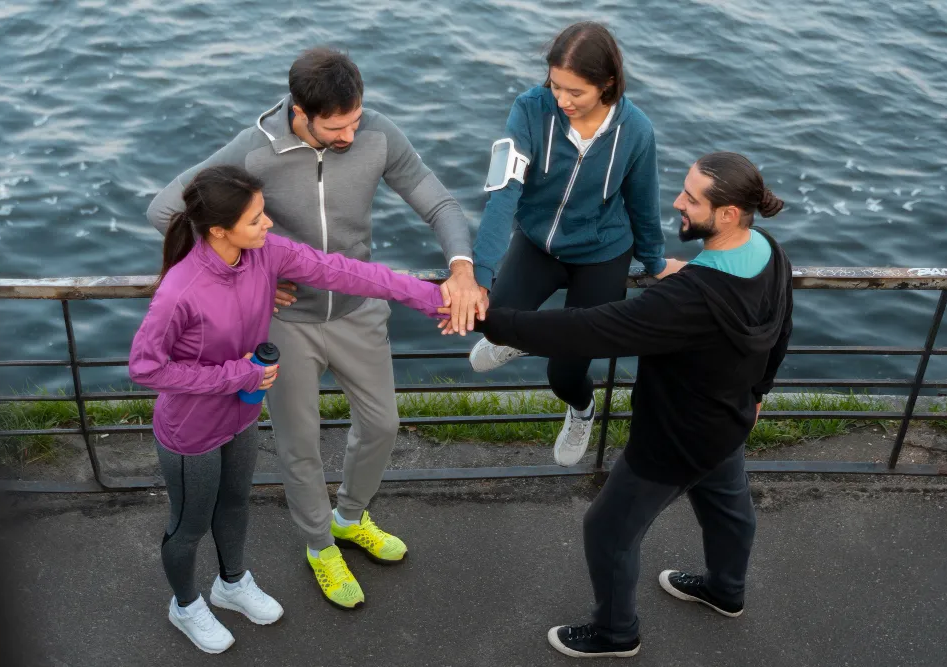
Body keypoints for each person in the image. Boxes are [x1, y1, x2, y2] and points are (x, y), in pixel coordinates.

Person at [146, 48, 485, 609]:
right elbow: (167, 209)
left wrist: (462, 268)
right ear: (300, 112)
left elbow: (439, 202)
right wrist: (245, 277)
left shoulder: (378, 134)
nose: (352, 135)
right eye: (337, 126)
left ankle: (350, 517)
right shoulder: (254, 148)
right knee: (299, 445)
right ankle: (319, 545)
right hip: (285, 326)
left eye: (356, 120)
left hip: (358, 313)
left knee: (382, 425)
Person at [473, 152, 792, 659]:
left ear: (728, 214)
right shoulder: (769, 253)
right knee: (730, 508)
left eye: (691, 198)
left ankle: (616, 633)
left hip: (671, 438)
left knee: (608, 531)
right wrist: (759, 394)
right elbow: (782, 329)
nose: (677, 203)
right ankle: (726, 590)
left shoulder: (688, 299)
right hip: (729, 420)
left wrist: (493, 321)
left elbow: (589, 328)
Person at [130, 166, 446, 653]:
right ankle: (186, 605)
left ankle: (231, 585)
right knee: (189, 525)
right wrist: (238, 376)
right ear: (219, 230)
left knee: (236, 505)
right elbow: (146, 369)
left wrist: (433, 298)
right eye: (257, 219)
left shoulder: (263, 256)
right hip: (191, 430)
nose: (269, 225)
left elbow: (348, 272)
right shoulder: (180, 290)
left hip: (240, 415)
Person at [466, 22, 681, 467]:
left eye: (575, 92)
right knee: (491, 321)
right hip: (537, 240)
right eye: (555, 85)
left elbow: (643, 200)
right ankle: (519, 337)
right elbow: (503, 191)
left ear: (607, 84)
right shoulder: (529, 109)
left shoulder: (636, 131)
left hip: (602, 253)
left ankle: (581, 409)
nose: (561, 100)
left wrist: (655, 260)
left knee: (564, 373)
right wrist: (479, 274)